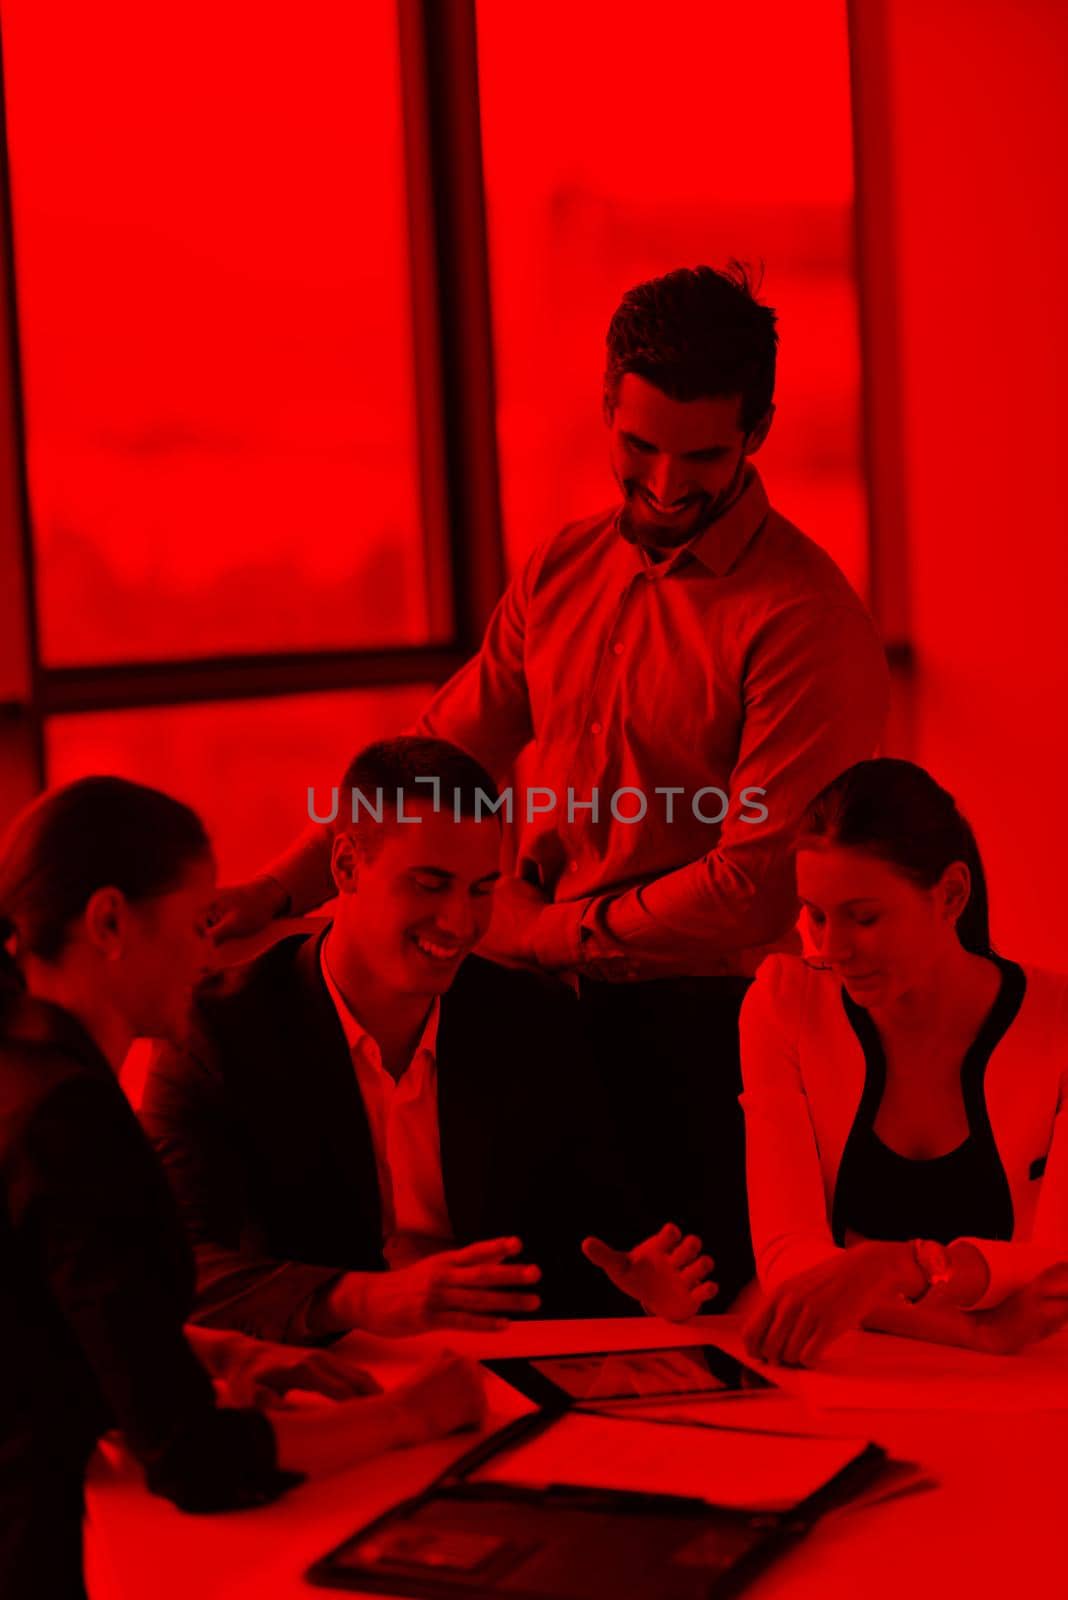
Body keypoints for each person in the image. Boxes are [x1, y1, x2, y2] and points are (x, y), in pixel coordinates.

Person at [203, 265, 890, 1305]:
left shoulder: (805, 620)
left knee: (689, 1324)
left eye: (702, 454)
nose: (665, 485)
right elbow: (437, 758)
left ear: (759, 429)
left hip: (702, 1034)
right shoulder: (560, 571)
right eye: (640, 446)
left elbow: (757, 879)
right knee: (538, 1313)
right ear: (607, 403)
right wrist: (281, 889)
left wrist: (537, 933)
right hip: (534, 1022)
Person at [0, 776, 487, 1600]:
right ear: (111, 921)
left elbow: (50, 1315)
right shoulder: (69, 1117)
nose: (209, 954)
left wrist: (231, 1350)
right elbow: (192, 1458)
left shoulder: (22, 1067)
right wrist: (410, 1417)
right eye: (196, 925)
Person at [140, 739, 716, 1344]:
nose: (460, 923)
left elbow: (591, 1243)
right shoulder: (219, 1030)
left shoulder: (530, 1020)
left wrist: (641, 1287)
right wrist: (360, 1298)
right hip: (315, 1373)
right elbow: (175, 1266)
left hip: (495, 1366)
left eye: (480, 889)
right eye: (430, 885)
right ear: (345, 868)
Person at [740, 758, 1068, 1367]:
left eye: (864, 918)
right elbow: (788, 1260)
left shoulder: (1059, 1022)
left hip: (1031, 1382)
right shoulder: (783, 1003)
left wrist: (892, 1266)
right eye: (815, 914)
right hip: (858, 1372)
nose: (831, 948)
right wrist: (975, 1331)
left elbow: (1057, 1268)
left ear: (950, 896)